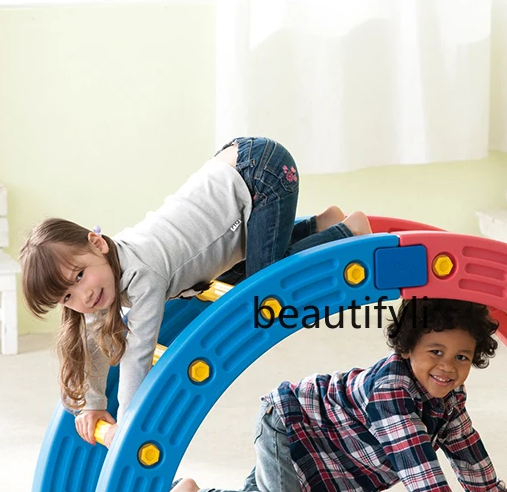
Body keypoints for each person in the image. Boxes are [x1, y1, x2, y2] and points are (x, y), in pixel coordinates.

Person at [20, 137, 371, 448]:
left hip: (261, 172)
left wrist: (126, 427)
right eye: (67, 297)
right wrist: (94, 404)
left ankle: (345, 232)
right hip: (235, 171)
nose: (83, 297)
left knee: (264, 291)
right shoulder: (100, 283)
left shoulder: (142, 272)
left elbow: (137, 354)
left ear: (97, 244)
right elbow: (96, 340)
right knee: (242, 273)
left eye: (79, 276)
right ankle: (321, 226)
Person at [164, 298, 507, 492]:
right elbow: (418, 465)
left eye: (462, 357)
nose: (448, 366)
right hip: (291, 425)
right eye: (435, 351)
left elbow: (465, 447)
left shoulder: (448, 393)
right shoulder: (391, 391)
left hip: (325, 441)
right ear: (407, 347)